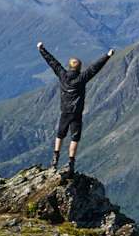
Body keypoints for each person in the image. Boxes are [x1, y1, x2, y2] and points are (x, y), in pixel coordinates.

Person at [36, 41, 114, 175]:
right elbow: (95, 68)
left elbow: (52, 62)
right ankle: (71, 163)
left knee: (60, 135)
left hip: (65, 112)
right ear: (79, 68)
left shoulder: (62, 75)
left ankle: (55, 159)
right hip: (76, 114)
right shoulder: (82, 78)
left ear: (69, 67)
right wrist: (107, 56)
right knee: (74, 138)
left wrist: (41, 49)